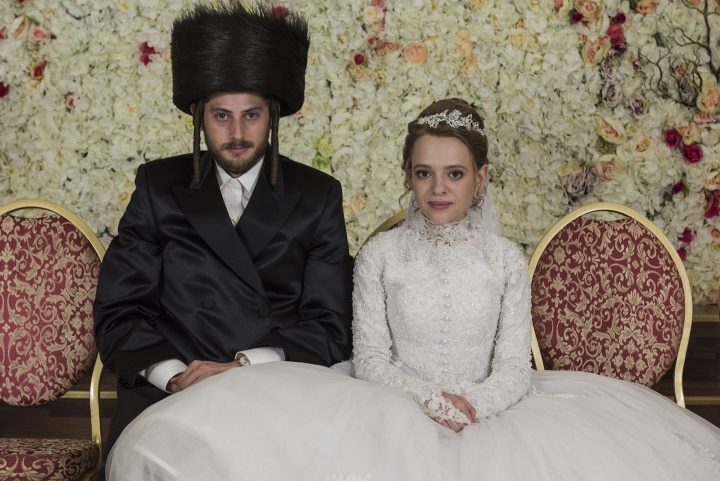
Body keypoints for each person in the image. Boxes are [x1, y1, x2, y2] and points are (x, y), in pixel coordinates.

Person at [105, 98, 720, 481]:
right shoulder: (380, 254)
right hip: (392, 406)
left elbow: (514, 367)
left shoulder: (506, 259)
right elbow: (369, 357)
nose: (438, 188)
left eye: (454, 174)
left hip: (495, 411)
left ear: (480, 181)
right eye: (424, 174)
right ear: (408, 178)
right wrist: (427, 401)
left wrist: (474, 405)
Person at [93, 2, 353, 477]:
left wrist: (242, 368)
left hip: (277, 389)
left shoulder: (318, 196)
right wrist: (174, 376)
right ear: (197, 114)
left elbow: (329, 324)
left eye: (251, 115)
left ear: (274, 114)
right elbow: (119, 311)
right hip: (167, 392)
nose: (237, 133)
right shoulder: (156, 187)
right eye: (221, 116)